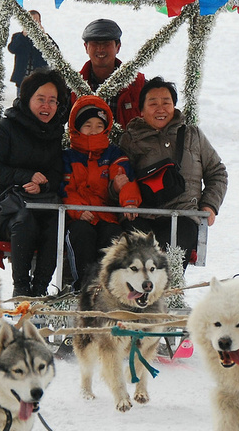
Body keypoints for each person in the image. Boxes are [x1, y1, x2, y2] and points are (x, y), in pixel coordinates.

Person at [117, 76, 228, 269]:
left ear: (174, 106)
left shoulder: (193, 135)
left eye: (166, 103)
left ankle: (169, 297)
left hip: (183, 216)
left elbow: (217, 172)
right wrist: (117, 188)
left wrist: (210, 205)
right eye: (153, 103)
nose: (160, 109)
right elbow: (121, 179)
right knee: (139, 265)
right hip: (144, 216)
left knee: (168, 261)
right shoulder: (131, 139)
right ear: (141, 110)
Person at [0, 68, 69, 297]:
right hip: (9, 207)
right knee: (25, 221)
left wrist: (44, 184)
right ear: (27, 99)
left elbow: (57, 172)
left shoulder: (54, 132)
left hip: (42, 203)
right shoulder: (6, 128)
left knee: (55, 226)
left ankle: (40, 288)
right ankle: (21, 288)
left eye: (52, 101)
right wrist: (25, 177)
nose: (46, 106)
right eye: (40, 99)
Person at [61, 95, 139, 290]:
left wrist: (129, 201)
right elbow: (63, 189)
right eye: (87, 125)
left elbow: (123, 178)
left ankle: (107, 288)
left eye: (98, 125)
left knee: (112, 235)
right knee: (81, 234)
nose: (93, 130)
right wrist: (77, 210)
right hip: (77, 217)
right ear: (76, 127)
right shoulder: (67, 157)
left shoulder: (113, 154)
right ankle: (83, 287)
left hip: (106, 215)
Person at [75, 19, 146, 128]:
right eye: (95, 43)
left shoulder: (138, 84)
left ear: (118, 47)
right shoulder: (73, 86)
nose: (100, 48)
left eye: (106, 43)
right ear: (86, 47)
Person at [7, 10, 54, 97]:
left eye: (36, 22)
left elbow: (54, 52)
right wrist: (23, 36)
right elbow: (12, 48)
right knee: (21, 105)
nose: (33, 25)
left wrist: (44, 37)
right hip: (22, 80)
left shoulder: (45, 38)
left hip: (39, 81)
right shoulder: (18, 37)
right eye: (30, 21)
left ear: (40, 23)